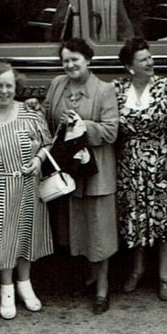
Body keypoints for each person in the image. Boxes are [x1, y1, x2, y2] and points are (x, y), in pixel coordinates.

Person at [0, 60, 53, 320]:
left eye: (9, 85)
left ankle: (25, 284)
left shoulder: (31, 114)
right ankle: (6, 289)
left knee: (27, 236)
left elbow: (48, 144)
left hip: (28, 185)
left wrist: (38, 160)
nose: (5, 91)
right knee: (2, 239)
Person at [43, 36, 120, 313]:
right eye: (65, 60)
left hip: (96, 172)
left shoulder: (104, 90)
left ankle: (102, 288)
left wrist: (82, 124)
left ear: (88, 60)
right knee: (79, 230)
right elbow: (47, 120)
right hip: (70, 173)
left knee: (99, 231)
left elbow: (111, 131)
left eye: (75, 59)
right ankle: (89, 277)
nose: (70, 65)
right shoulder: (57, 85)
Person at [112, 37, 167, 300]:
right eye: (143, 59)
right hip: (130, 161)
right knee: (135, 217)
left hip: (161, 159)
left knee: (162, 217)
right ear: (130, 66)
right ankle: (137, 269)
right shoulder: (117, 89)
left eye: (150, 57)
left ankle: (165, 274)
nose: (150, 62)